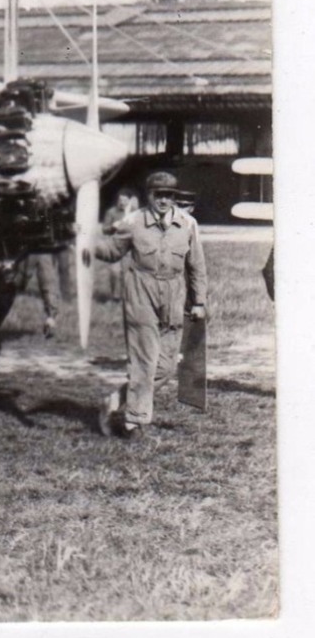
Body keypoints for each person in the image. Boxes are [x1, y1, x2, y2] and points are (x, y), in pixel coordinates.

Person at [92, 170, 207, 441]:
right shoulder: (134, 222)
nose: (164, 200)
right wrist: (87, 244)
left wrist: (199, 301)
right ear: (150, 195)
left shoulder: (188, 224)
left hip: (174, 296)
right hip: (140, 293)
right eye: (159, 195)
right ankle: (134, 424)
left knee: (166, 366)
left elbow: (197, 266)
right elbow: (111, 251)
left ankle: (115, 400)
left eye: (169, 195)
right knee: (144, 361)